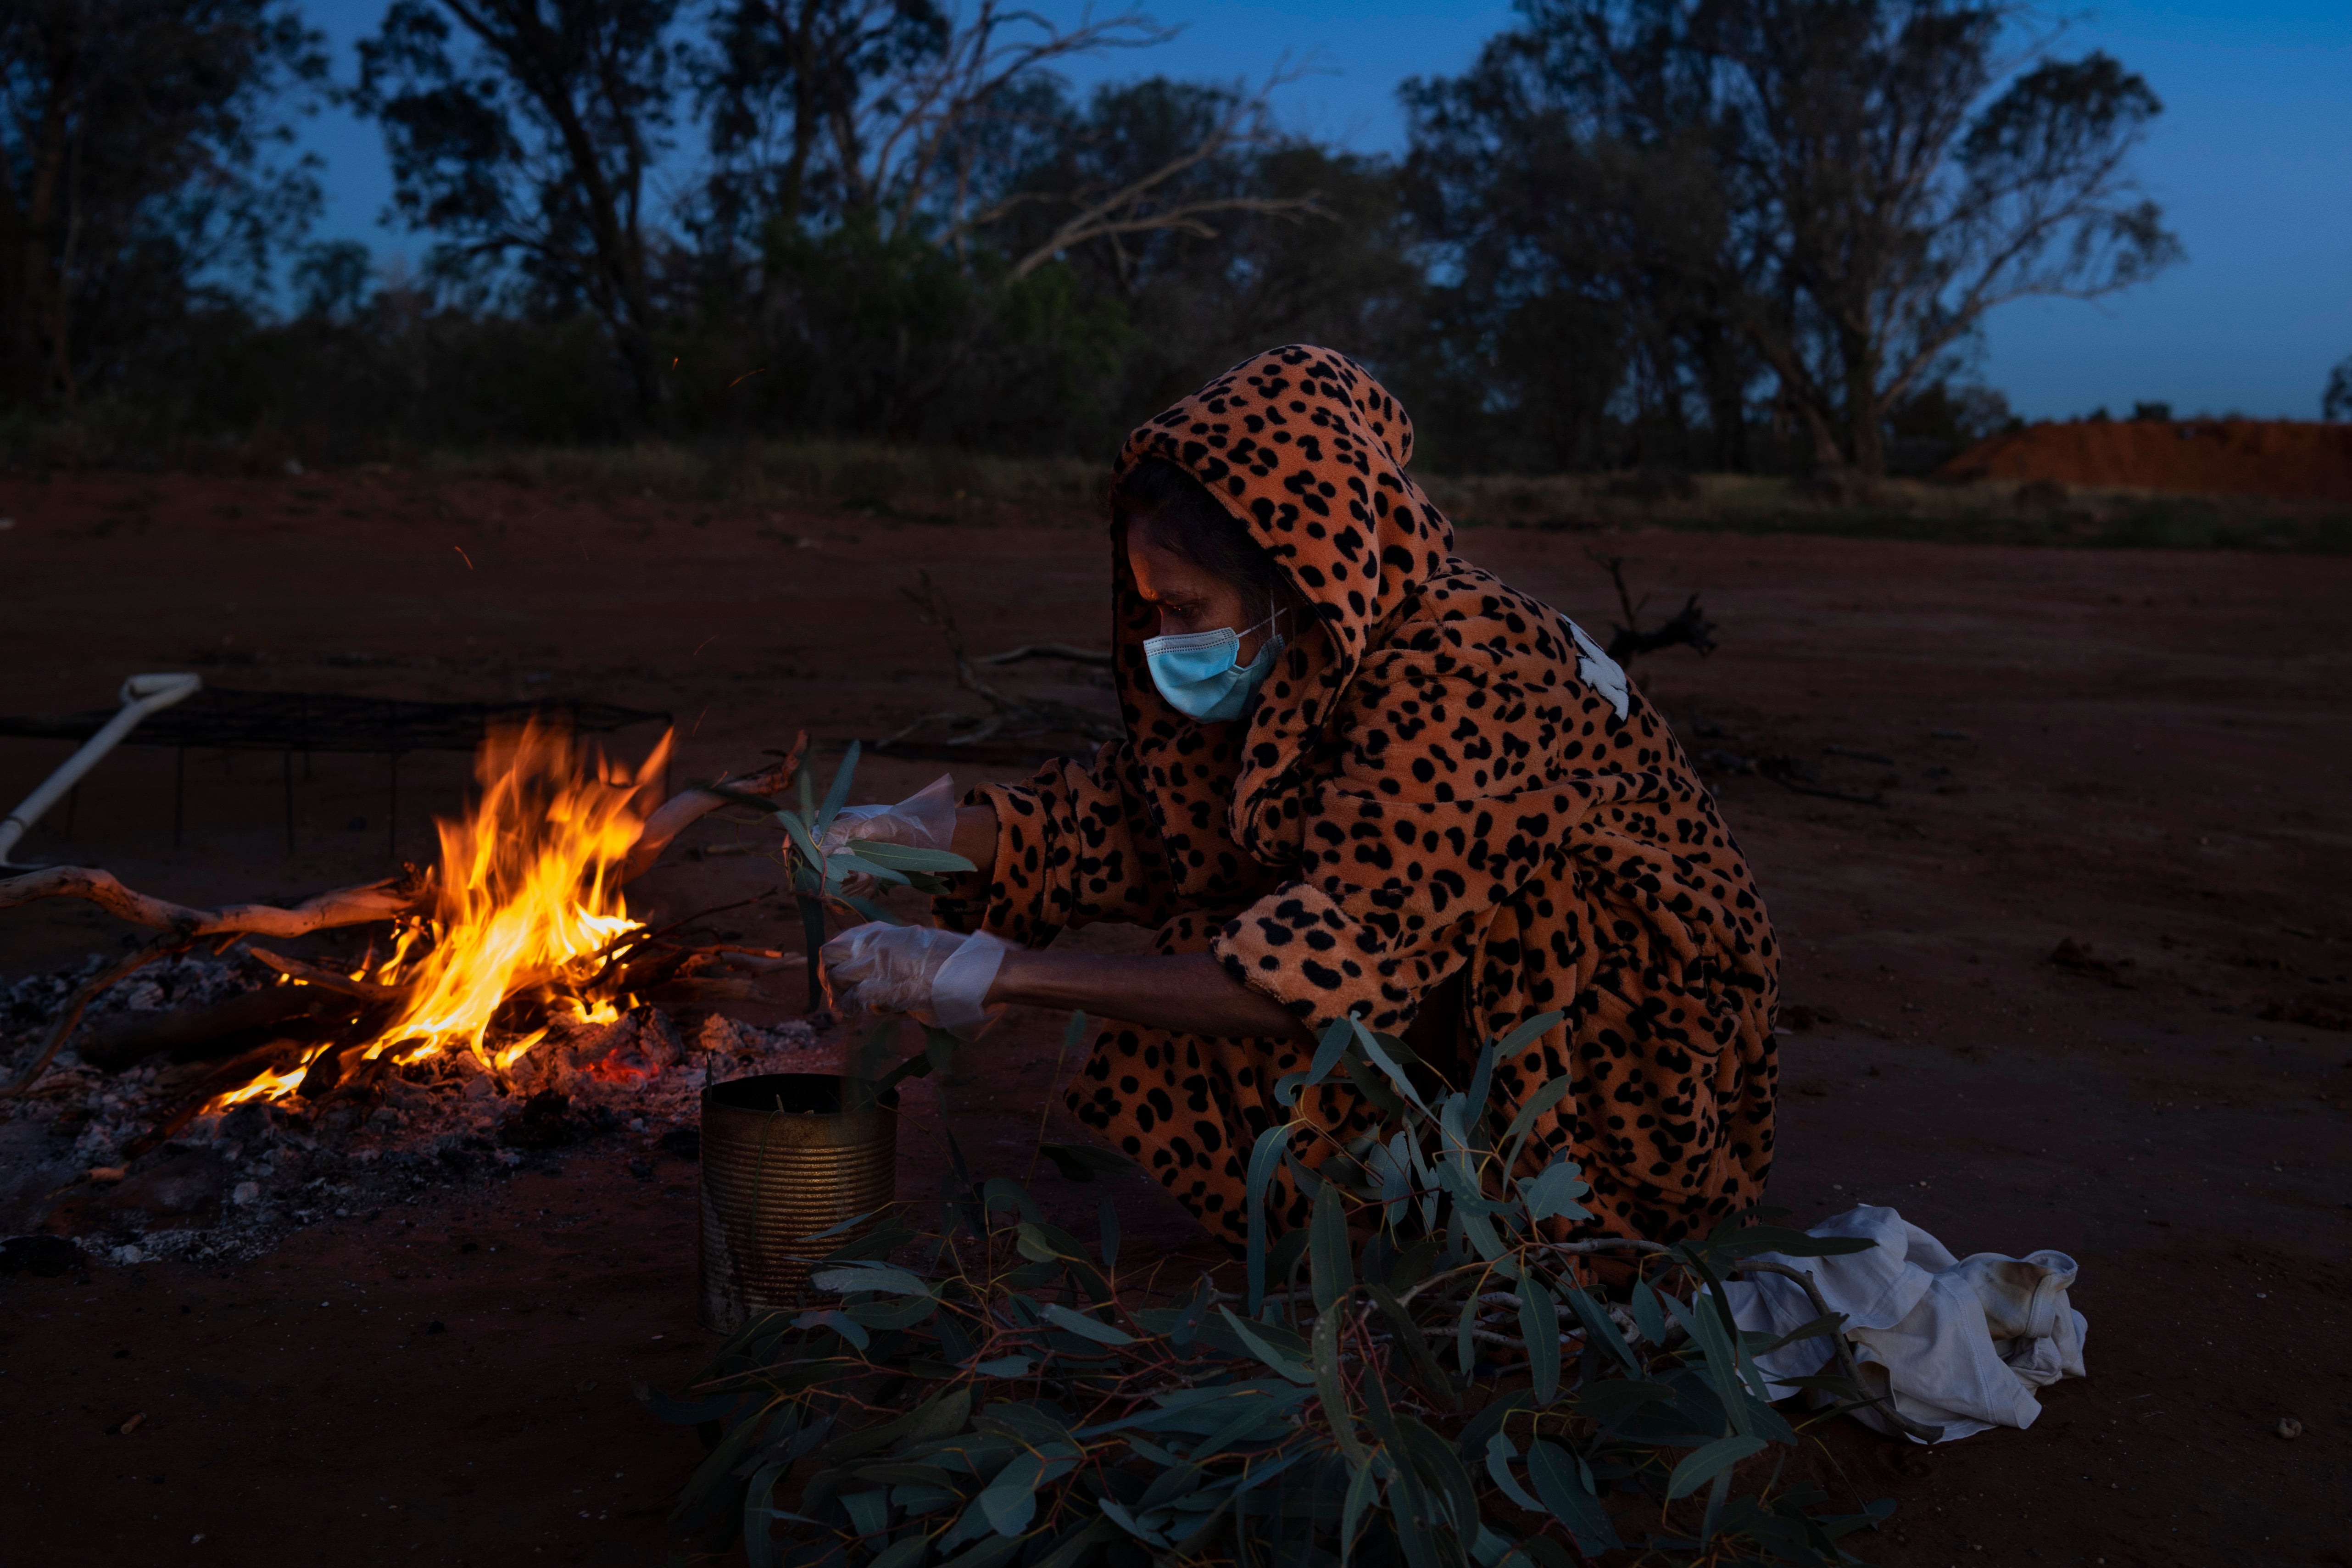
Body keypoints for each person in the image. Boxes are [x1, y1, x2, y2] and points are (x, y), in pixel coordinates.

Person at [821, 344, 1777, 1254]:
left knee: (1241, 966)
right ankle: (1417, 1187)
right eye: (1149, 605)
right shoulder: (1317, 647)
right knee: (1214, 931)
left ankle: (1520, 1219)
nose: (1162, 637)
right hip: (1512, 1000)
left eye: (1185, 608)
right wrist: (912, 833)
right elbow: (1137, 820)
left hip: (1636, 1075)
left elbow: (1327, 963)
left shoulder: (1457, 668)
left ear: (1292, 577)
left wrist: (1004, 973)